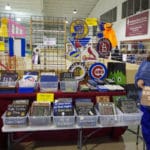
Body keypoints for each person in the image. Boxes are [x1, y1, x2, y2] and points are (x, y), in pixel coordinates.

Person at [135, 52, 150, 150]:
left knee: (147, 126)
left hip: (147, 95)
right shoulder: (145, 64)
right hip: (147, 95)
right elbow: (138, 79)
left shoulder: (145, 64)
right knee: (146, 126)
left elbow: (139, 79)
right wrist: (139, 81)